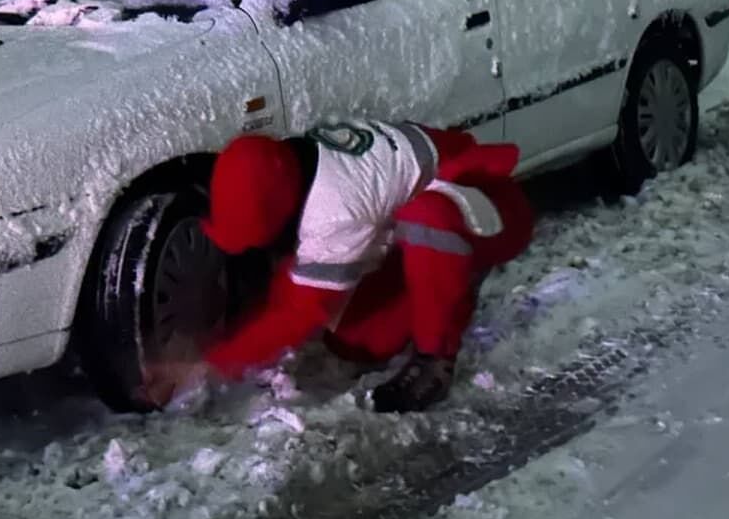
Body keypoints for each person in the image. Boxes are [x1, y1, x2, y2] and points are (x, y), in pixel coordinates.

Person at [142, 118, 534, 413]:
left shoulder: (335, 210)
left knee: (428, 216)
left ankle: (436, 360)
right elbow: (295, 283)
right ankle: (437, 281)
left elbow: (301, 310)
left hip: (490, 210)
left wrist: (210, 364)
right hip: (424, 227)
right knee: (357, 340)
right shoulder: (297, 159)